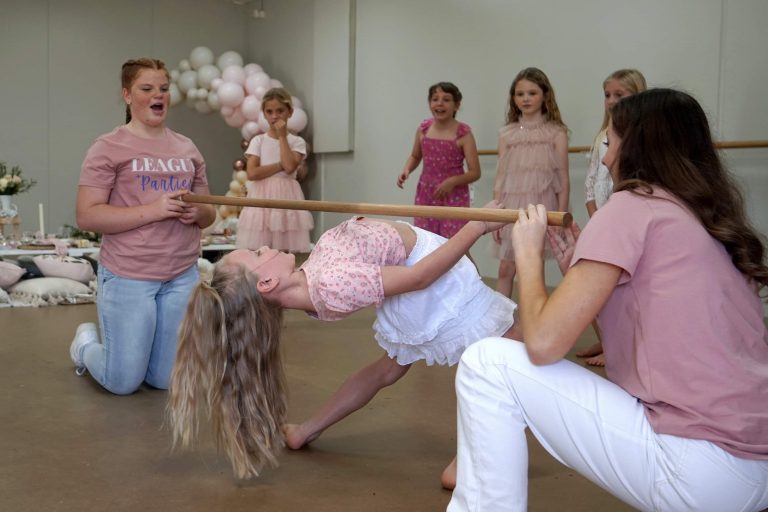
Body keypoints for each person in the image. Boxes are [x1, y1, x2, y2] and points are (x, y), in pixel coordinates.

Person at [448, 89, 768, 512]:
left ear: (634, 145)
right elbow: (640, 336)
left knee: (486, 361)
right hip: (751, 470)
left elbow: (542, 344)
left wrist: (528, 255)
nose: (604, 157)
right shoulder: (706, 219)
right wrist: (578, 275)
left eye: (610, 142)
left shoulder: (632, 205)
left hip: (699, 470)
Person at [168, 204, 521, 479]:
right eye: (258, 256)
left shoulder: (308, 281)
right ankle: (467, 463)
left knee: (388, 369)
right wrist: (476, 226)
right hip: (430, 279)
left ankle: (305, 430)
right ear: (266, 285)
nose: (263, 246)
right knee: (515, 340)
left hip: (411, 278)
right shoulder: (331, 284)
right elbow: (419, 278)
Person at [69, 58, 216, 395]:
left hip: (181, 275)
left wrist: (199, 214)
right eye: (146, 88)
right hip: (128, 275)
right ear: (127, 95)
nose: (158, 95)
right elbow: (87, 216)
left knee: (164, 381)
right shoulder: (108, 147)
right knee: (122, 383)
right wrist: (155, 209)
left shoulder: (187, 148)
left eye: (163, 89)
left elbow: (210, 213)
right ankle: (84, 344)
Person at [579, 68, 647, 367]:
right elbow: (592, 182)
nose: (612, 100)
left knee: (621, 291)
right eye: (608, 95)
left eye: (620, 95)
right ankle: (607, 338)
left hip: (626, 224)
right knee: (595, 288)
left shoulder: (641, 138)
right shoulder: (601, 137)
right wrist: (595, 217)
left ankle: (620, 347)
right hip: (603, 222)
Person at [491, 67, 569, 298]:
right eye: (520, 94)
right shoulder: (507, 134)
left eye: (532, 93)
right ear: (513, 99)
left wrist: (559, 217)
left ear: (545, 95)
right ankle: (500, 325)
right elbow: (500, 178)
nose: (525, 99)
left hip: (540, 210)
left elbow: (563, 179)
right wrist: (494, 215)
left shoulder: (556, 133)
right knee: (505, 269)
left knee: (533, 272)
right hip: (511, 209)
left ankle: (531, 325)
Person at [397, 82, 481, 238]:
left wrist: (452, 182)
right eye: (435, 99)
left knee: (456, 244)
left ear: (456, 105)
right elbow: (415, 156)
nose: (440, 103)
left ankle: (467, 264)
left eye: (446, 99)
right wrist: (407, 169)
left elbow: (475, 172)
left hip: (454, 195)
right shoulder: (423, 129)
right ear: (429, 103)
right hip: (427, 193)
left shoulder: (464, 133)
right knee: (426, 240)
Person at [236, 88, 313, 252]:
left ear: (290, 112)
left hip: (287, 196)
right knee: (259, 248)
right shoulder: (258, 140)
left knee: (286, 248)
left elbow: (291, 166)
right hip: (261, 196)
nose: (274, 116)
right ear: (264, 114)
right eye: (269, 111)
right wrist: (280, 166)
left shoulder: (297, 142)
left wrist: (283, 136)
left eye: (280, 111)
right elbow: (253, 173)